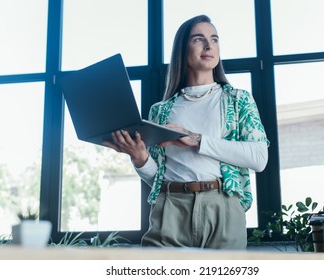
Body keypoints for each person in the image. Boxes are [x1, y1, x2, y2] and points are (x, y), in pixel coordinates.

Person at [103, 14, 269, 250]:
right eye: (198, 39)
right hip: (170, 206)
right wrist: (140, 159)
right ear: (182, 49)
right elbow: (157, 177)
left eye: (214, 39)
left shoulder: (238, 100)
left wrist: (196, 140)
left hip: (222, 206)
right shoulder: (160, 111)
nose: (209, 45)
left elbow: (259, 158)